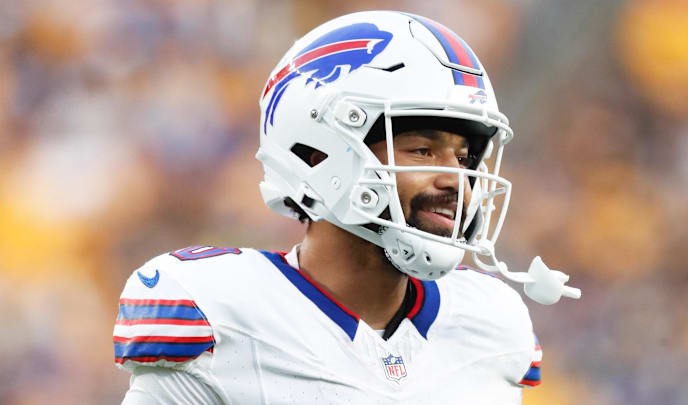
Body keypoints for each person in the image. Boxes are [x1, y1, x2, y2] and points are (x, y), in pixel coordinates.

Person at [113, 10, 580, 404]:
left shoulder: (490, 324)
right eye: (421, 149)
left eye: (463, 158)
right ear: (316, 154)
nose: (454, 178)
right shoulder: (220, 311)